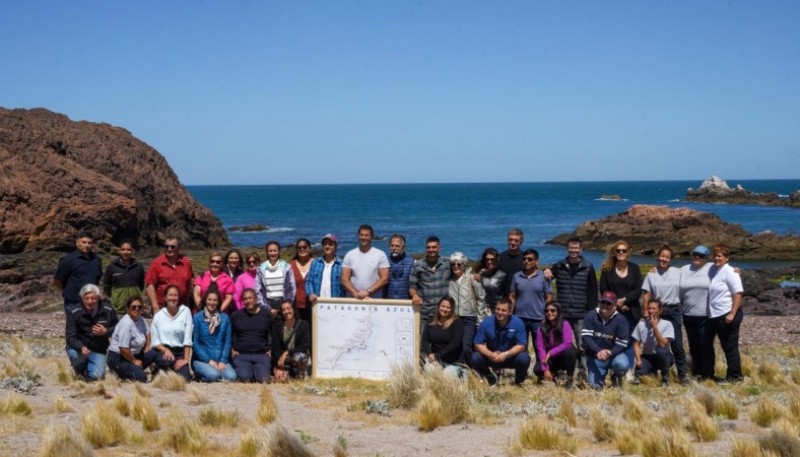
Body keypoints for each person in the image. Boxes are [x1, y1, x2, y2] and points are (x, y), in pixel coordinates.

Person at [551, 237, 598, 381]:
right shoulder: (559, 266)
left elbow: (593, 291)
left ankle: (583, 372)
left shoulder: (588, 266)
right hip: (563, 313)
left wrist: (591, 312)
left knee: (582, 345)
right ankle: (560, 371)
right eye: (571, 248)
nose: (573, 251)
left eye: (576, 248)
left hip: (581, 313)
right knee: (560, 344)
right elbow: (547, 277)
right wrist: (546, 270)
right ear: (567, 249)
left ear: (581, 249)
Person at [641, 245, 688, 383]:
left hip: (673, 310)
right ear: (658, 257)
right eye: (662, 256)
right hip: (657, 311)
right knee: (660, 344)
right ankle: (665, 375)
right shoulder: (651, 274)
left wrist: (733, 269)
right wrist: (645, 311)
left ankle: (682, 374)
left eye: (667, 257)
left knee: (677, 344)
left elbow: (698, 268)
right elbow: (647, 294)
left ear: (671, 259)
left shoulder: (678, 271)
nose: (664, 259)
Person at [703, 244, 744, 384]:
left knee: (730, 347)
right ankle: (709, 374)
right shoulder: (712, 268)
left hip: (727, 314)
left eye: (719, 256)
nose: (716, 258)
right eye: (715, 255)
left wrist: (732, 313)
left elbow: (738, 294)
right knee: (711, 345)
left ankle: (735, 377)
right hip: (714, 315)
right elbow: (697, 265)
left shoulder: (730, 272)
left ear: (727, 258)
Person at [599, 240, 642, 374]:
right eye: (618, 251)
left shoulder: (635, 268)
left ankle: (628, 370)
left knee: (629, 341)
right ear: (614, 252)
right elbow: (603, 289)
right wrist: (616, 303)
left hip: (631, 311)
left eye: (624, 250)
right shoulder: (607, 269)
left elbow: (638, 289)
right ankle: (614, 369)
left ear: (628, 253)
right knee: (612, 340)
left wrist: (625, 301)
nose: (621, 253)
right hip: (612, 311)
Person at [471, 299, 530, 386]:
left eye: (503, 310)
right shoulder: (486, 323)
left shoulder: (518, 323)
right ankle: (490, 378)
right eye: (498, 309)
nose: (499, 312)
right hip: (493, 357)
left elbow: (522, 346)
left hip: (510, 356)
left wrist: (505, 354)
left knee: (524, 358)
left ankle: (519, 382)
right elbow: (477, 344)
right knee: (475, 357)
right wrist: (490, 354)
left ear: (510, 312)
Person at [65, 284, 119, 381]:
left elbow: (118, 329)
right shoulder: (74, 312)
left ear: (98, 298)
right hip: (79, 348)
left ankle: (90, 370)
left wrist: (106, 331)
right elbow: (70, 337)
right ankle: (80, 371)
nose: (90, 301)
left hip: (98, 349)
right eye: (87, 298)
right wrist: (81, 347)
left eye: (93, 298)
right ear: (82, 299)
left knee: (96, 377)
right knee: (74, 355)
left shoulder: (108, 310)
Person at [582, 291, 630, 389]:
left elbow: (622, 343)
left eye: (609, 303)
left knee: (622, 364)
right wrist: (598, 350)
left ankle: (616, 377)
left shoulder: (621, 320)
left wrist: (610, 352)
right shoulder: (591, 316)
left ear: (615, 306)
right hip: (595, 356)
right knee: (595, 387)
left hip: (613, 356)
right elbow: (586, 337)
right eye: (603, 302)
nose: (605, 305)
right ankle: (600, 378)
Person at [107, 296, 159, 382]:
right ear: (128, 309)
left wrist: (147, 345)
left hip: (134, 354)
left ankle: (134, 370)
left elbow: (147, 332)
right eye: (133, 307)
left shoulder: (140, 319)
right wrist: (134, 361)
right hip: (119, 357)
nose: (137, 309)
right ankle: (118, 372)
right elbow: (123, 348)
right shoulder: (126, 324)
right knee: (142, 377)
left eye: (139, 307)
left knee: (154, 353)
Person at [679, 245, 712, 378]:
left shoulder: (712, 268)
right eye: (695, 255)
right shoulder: (684, 269)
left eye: (701, 256)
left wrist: (736, 271)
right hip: (688, 314)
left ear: (706, 258)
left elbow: (727, 270)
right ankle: (696, 372)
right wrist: (654, 270)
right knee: (693, 345)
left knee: (705, 345)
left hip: (706, 315)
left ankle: (708, 373)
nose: (697, 257)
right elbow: (668, 274)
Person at [509, 248, 553, 348]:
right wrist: (511, 315)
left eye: (530, 259)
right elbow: (512, 296)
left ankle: (540, 364)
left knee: (539, 347)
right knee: (520, 347)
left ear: (536, 261)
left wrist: (547, 316)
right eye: (524, 259)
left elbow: (549, 297)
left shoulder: (543, 277)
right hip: (520, 318)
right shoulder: (517, 276)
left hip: (538, 319)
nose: (526, 261)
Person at [447, 252, 486, 361]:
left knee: (466, 346)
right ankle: (461, 369)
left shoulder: (473, 279)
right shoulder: (450, 281)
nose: (456, 266)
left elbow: (481, 299)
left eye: (459, 264)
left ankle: (470, 369)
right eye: (453, 264)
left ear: (464, 265)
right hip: (454, 319)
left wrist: (480, 320)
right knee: (456, 346)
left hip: (469, 318)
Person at [150, 284, 194, 381]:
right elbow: (155, 341)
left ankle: (167, 371)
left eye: (175, 295)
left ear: (179, 298)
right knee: (166, 363)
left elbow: (188, 338)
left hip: (179, 351)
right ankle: (157, 369)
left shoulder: (186, 311)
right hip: (165, 350)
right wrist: (165, 350)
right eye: (170, 295)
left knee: (185, 378)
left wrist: (185, 359)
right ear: (165, 298)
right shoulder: (159, 316)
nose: (173, 298)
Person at [192, 290, 236, 382]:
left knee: (232, 377)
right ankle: (202, 374)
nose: (212, 303)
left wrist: (223, 361)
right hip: (202, 360)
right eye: (209, 300)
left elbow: (227, 342)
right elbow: (196, 343)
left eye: (215, 300)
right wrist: (209, 361)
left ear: (219, 302)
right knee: (213, 375)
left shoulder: (225, 318)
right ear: (205, 301)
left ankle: (215, 374)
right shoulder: (197, 318)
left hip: (220, 359)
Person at [230, 288, 273, 382]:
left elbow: (274, 332)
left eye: (250, 298)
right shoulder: (236, 316)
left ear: (256, 299)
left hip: (261, 354)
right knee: (245, 378)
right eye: (245, 299)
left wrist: (271, 349)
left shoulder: (266, 314)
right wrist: (232, 349)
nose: (248, 301)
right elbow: (229, 334)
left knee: (263, 379)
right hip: (242, 355)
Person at [409, 236, 451, 328]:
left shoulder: (447, 263)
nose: (431, 249)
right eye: (428, 247)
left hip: (443, 312)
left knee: (442, 340)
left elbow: (460, 270)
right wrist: (414, 295)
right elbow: (412, 286)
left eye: (434, 247)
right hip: (425, 312)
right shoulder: (418, 265)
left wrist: (477, 275)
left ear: (439, 248)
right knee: (424, 340)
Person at [145, 236, 194, 315]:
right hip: (162, 308)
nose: (169, 249)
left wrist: (187, 303)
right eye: (166, 246)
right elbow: (149, 285)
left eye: (172, 247)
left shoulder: (186, 263)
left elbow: (189, 283)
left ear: (178, 248)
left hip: (181, 308)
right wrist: (155, 307)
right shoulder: (156, 263)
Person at [54, 231, 102, 311]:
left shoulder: (96, 260)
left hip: (92, 303)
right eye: (84, 242)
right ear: (77, 243)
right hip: (73, 303)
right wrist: (68, 292)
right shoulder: (68, 260)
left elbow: (97, 278)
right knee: (73, 324)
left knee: (91, 324)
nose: (87, 245)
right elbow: (57, 280)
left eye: (89, 243)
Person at [533, 301, 577, 389]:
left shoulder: (565, 324)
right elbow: (540, 349)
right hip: (550, 360)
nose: (549, 313)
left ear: (558, 312)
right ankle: (552, 375)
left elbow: (568, 342)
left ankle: (569, 378)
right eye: (547, 311)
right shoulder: (541, 328)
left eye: (553, 310)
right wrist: (545, 369)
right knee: (537, 369)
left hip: (563, 358)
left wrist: (550, 352)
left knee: (571, 351)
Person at [632, 299, 674, 386]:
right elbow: (636, 343)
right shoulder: (641, 324)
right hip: (648, 356)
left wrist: (655, 327)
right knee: (640, 373)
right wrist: (638, 360)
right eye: (649, 308)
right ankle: (652, 372)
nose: (651, 311)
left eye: (654, 309)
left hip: (663, 355)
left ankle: (665, 377)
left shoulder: (667, 324)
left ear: (660, 310)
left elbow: (663, 344)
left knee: (661, 351)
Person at [341, 224, 390, 299]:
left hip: (374, 300)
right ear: (358, 236)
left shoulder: (380, 254)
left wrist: (368, 292)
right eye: (361, 235)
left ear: (372, 237)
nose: (363, 238)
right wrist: (356, 294)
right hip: (353, 299)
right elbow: (344, 279)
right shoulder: (349, 255)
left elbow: (384, 278)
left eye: (366, 235)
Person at [421, 296, 465, 376]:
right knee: (430, 370)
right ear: (438, 306)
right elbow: (424, 340)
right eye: (443, 306)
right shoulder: (430, 322)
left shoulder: (457, 323)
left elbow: (455, 343)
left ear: (452, 309)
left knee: (446, 376)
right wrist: (429, 354)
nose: (445, 309)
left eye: (448, 307)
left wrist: (437, 355)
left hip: (453, 362)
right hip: (435, 360)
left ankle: (462, 374)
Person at [102, 239, 145, 315]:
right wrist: (116, 299)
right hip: (118, 310)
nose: (126, 252)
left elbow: (142, 285)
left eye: (128, 250)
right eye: (123, 249)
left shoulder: (139, 267)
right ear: (119, 251)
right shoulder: (112, 267)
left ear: (133, 251)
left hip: (135, 309)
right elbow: (106, 286)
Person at [271, 300, 310, 382]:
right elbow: (275, 347)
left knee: (300, 357)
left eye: (288, 308)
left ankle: (300, 374)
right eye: (283, 310)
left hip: (296, 356)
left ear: (293, 309)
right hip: (282, 359)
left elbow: (304, 346)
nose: (286, 311)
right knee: (281, 380)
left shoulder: (303, 325)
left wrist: (287, 352)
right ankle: (287, 373)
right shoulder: (277, 326)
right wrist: (279, 367)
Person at [255, 240, 295, 315]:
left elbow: (292, 287)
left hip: (284, 302)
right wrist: (266, 307)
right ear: (267, 252)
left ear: (279, 251)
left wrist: (288, 304)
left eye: (275, 251)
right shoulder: (261, 269)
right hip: (267, 303)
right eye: (270, 251)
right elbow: (257, 290)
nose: (273, 253)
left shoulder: (287, 267)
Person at [306, 234, 345, 303]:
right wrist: (310, 293)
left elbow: (346, 284)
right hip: (318, 303)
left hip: (336, 304)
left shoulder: (342, 265)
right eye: (325, 244)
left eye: (330, 244)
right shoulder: (315, 263)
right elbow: (309, 281)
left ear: (335, 247)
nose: (327, 246)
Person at [289, 238, 313, 325]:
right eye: (299, 248)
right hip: (295, 306)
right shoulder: (291, 265)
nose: (302, 249)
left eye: (305, 247)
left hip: (313, 305)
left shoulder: (317, 264)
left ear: (310, 249)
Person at [478, 247, 507, 313]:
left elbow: (508, 295)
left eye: (492, 259)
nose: (489, 261)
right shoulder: (481, 275)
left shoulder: (503, 275)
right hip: (483, 310)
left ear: (497, 260)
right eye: (487, 259)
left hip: (498, 310)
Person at [385, 234, 414, 299]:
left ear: (403, 247)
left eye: (397, 246)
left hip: (405, 302)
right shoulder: (384, 260)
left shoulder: (411, 262)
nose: (394, 248)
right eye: (392, 246)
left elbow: (414, 284)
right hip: (387, 301)